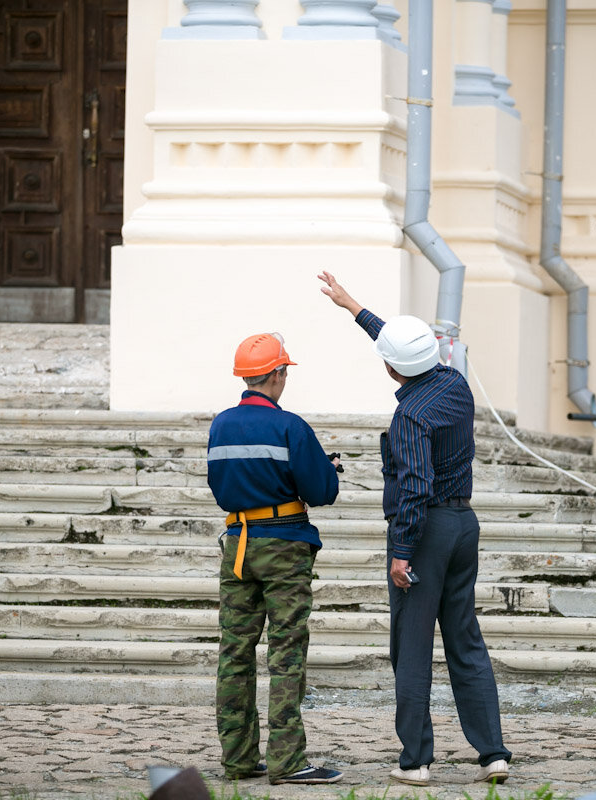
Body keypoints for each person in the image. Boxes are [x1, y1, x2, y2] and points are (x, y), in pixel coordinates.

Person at [318, 271, 513, 786]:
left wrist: (402, 551)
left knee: (411, 646)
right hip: (464, 524)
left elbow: (414, 487)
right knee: (465, 640)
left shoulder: (410, 416)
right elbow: (404, 347)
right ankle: (493, 754)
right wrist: (353, 306)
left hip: (425, 531)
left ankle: (416, 761)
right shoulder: (454, 383)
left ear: (390, 369)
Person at [207, 332, 343, 785]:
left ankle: (238, 757)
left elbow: (220, 484)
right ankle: (287, 761)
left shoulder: (221, 425)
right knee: (286, 653)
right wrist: (327, 468)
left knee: (235, 651)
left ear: (245, 377)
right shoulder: (290, 426)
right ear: (278, 374)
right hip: (283, 546)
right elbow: (320, 491)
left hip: (238, 545)